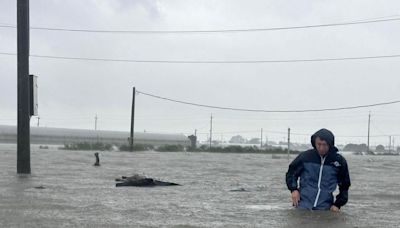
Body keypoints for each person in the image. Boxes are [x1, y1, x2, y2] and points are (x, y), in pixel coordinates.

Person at [285, 128, 351, 211]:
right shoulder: (305, 157)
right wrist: (293, 189)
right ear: (314, 143)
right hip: (302, 206)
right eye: (319, 144)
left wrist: (337, 204)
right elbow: (291, 173)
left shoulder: (339, 161)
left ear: (330, 144)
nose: (321, 148)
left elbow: (345, 185)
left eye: (324, 144)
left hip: (325, 208)